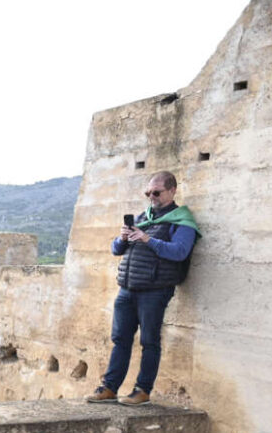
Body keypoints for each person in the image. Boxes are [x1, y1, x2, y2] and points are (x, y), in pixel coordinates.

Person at [85, 171, 200, 406]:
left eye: (156, 192)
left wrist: (147, 239)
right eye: (148, 193)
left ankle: (142, 390)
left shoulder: (182, 220)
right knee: (120, 339)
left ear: (172, 191)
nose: (151, 197)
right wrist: (123, 238)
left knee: (149, 341)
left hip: (155, 290)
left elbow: (179, 251)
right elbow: (116, 250)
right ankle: (109, 387)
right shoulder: (142, 218)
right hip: (128, 288)